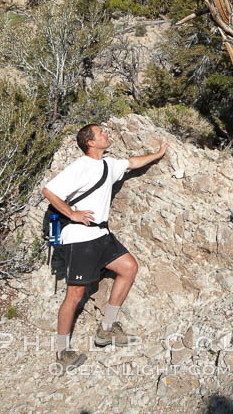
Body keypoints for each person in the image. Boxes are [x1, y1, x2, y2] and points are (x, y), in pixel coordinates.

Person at [42, 123, 168, 370]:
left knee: (129, 268)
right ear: (90, 142)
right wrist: (72, 214)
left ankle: (106, 329)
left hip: (101, 234)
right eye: (101, 133)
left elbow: (132, 162)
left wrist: (157, 154)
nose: (106, 134)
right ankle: (61, 351)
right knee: (75, 294)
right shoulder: (80, 166)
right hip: (79, 238)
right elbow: (50, 191)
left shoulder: (108, 165)